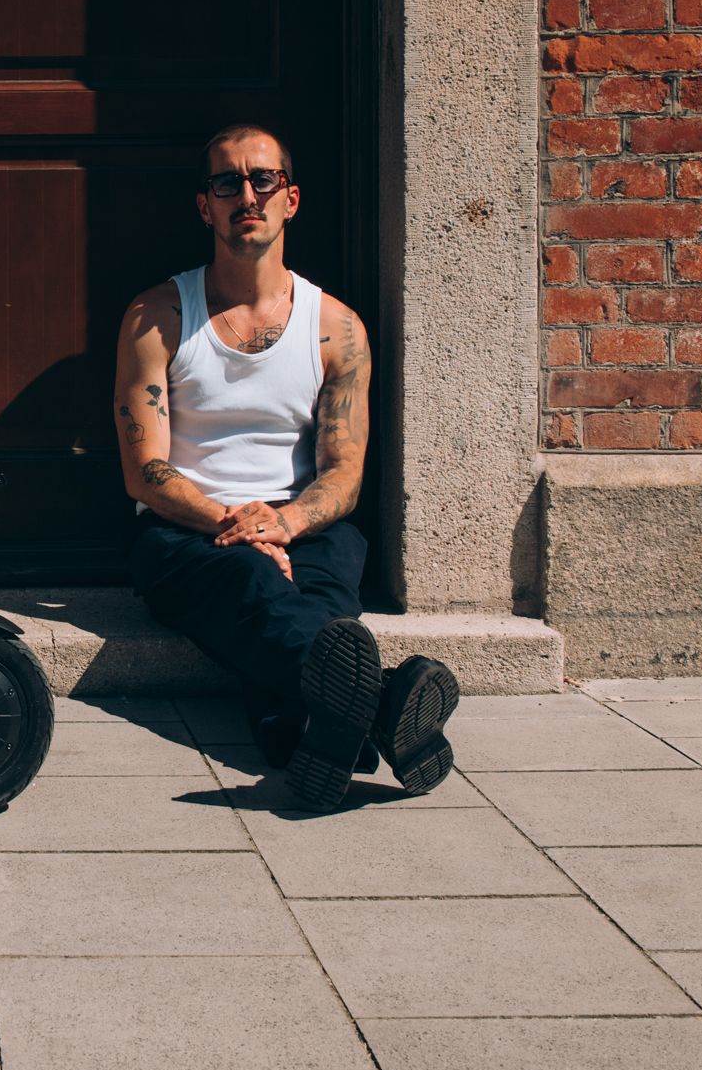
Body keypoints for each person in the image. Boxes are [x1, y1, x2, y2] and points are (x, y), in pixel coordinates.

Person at [112, 124, 460, 811]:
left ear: (291, 198)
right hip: (188, 532)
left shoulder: (338, 329)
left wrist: (285, 522)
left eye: (262, 179)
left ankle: (304, 727)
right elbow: (142, 468)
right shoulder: (156, 317)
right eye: (227, 182)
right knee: (250, 579)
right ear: (204, 206)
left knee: (327, 596)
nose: (247, 194)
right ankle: (388, 703)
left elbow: (344, 471)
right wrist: (239, 525)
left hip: (304, 522)